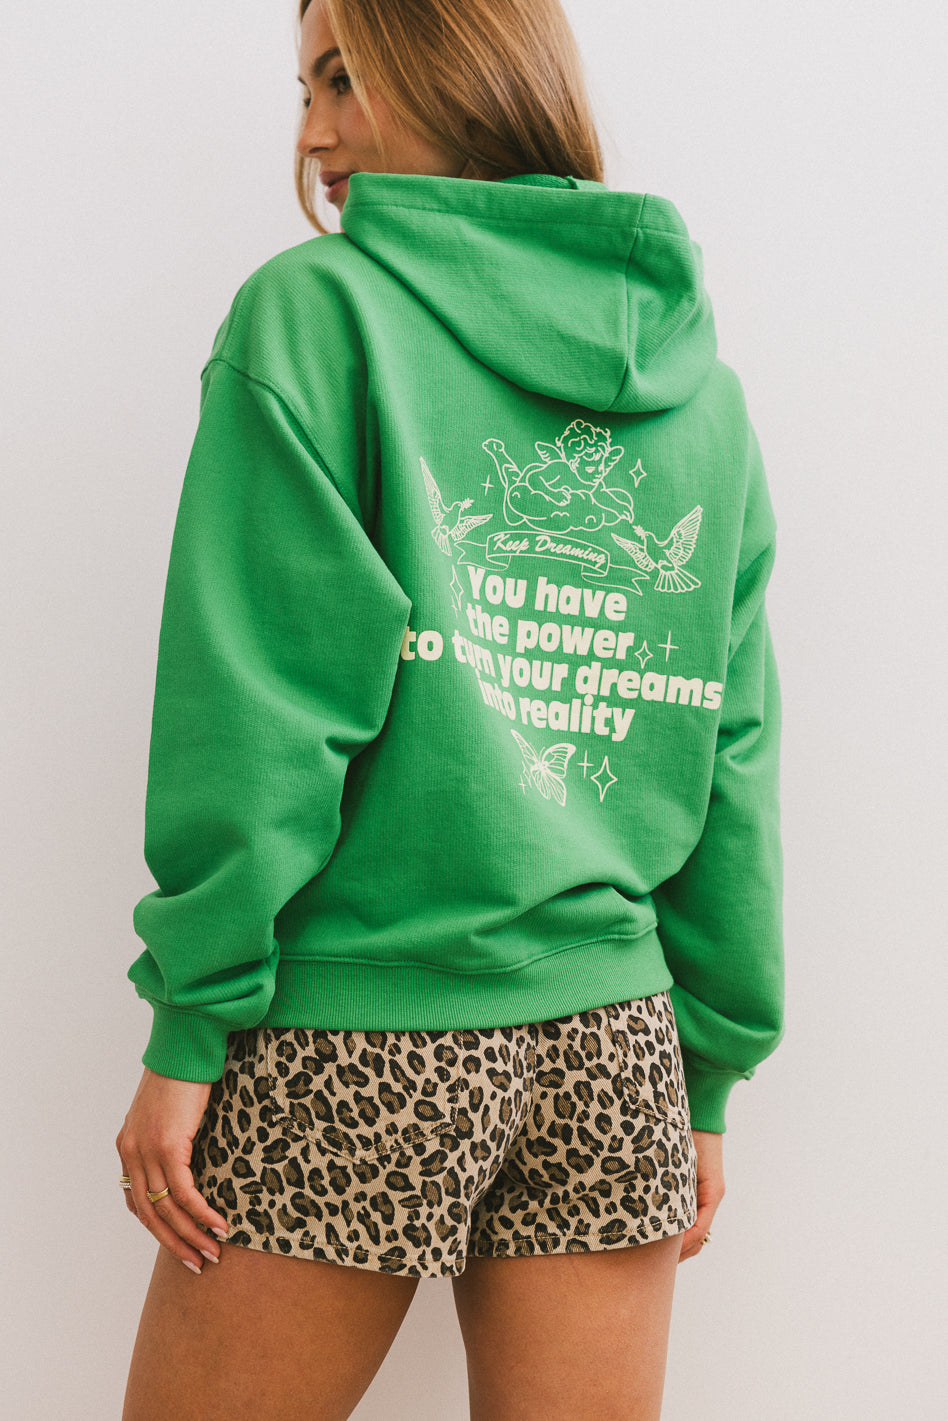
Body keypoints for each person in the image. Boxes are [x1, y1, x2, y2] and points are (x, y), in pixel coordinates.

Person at [116, 1, 784, 1417]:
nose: (312, 132)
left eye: (342, 77)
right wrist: (706, 1071)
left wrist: (190, 1018)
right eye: (305, 89)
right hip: (616, 1047)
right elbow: (726, 751)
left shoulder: (315, 313)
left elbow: (266, 698)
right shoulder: (706, 394)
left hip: (358, 1023)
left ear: (456, 63)